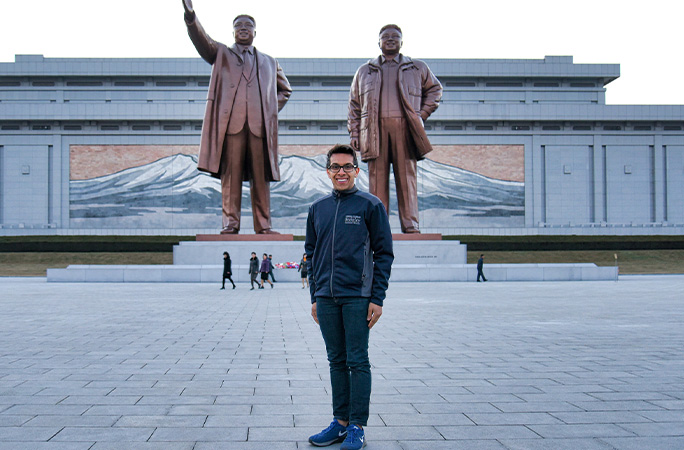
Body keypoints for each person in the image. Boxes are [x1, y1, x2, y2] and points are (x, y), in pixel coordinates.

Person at [305, 144, 394, 449]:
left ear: (357, 170)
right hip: (327, 298)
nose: (340, 172)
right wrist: (315, 296)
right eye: (335, 167)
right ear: (328, 171)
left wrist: (377, 297)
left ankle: (357, 425)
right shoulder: (317, 209)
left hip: (358, 296)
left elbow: (384, 253)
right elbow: (311, 254)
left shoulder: (370, 206)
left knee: (357, 360)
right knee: (336, 360)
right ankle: (339, 422)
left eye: (346, 166)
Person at [183, 0, 292, 234]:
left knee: (260, 179)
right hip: (231, 127)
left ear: (255, 32)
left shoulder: (270, 62)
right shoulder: (221, 53)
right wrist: (191, 16)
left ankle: (264, 226)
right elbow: (203, 41)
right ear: (232, 31)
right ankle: (230, 224)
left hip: (259, 129)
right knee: (230, 177)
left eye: (248, 25)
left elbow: (285, 90)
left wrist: (269, 111)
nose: (244, 28)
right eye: (239, 25)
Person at [348, 24, 442, 234]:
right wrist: (354, 132)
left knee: (407, 178)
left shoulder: (417, 67)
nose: (390, 39)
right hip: (373, 131)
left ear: (402, 42)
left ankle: (411, 225)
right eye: (385, 37)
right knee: (377, 180)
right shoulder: (364, 71)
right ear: (378, 42)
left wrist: (421, 115)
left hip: (405, 129)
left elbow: (435, 90)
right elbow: (354, 104)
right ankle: (378, 227)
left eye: (395, 37)